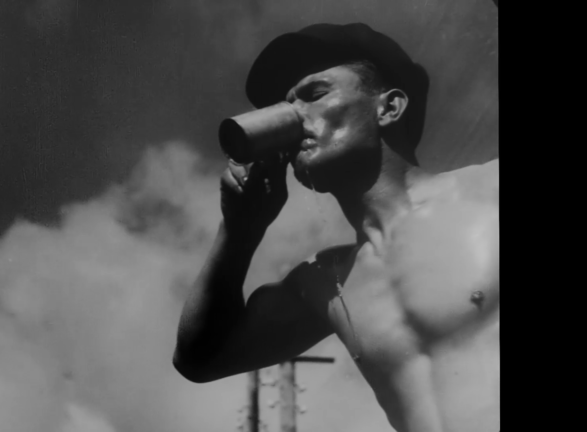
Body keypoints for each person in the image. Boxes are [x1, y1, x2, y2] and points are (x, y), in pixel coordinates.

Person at [173, 23, 499, 432]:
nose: (292, 120)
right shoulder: (327, 283)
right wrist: (240, 232)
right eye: (285, 107)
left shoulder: (489, 191)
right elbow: (200, 359)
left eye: (314, 94)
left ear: (388, 108)